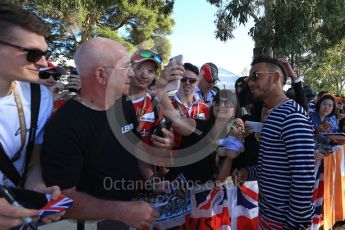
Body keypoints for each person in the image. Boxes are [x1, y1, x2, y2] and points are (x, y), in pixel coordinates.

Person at [41, 37, 159, 229]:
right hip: (96, 222)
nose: (132, 74)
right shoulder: (65, 124)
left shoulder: (125, 105)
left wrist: (151, 179)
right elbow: (61, 199)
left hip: (133, 210)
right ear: (101, 75)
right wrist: (121, 211)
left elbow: (135, 147)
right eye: (125, 67)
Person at [0, 3, 63, 228]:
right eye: (32, 53)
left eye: (44, 53)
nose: (43, 63)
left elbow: (34, 155)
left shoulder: (40, 97)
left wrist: (35, 186)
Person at [234, 56, 315, 229]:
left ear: (276, 78)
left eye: (256, 76)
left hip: (285, 222)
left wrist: (293, 225)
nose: (250, 82)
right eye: (249, 78)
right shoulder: (273, 115)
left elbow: (303, 179)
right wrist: (250, 173)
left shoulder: (292, 117)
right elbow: (274, 166)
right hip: (268, 215)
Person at [171, 62, 209, 148]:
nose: (187, 83)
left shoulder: (205, 109)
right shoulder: (167, 107)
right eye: (183, 79)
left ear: (196, 83)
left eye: (192, 80)